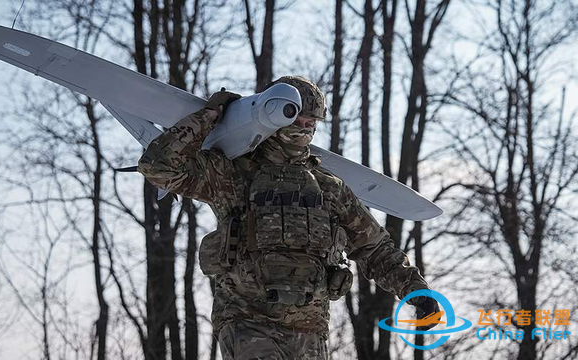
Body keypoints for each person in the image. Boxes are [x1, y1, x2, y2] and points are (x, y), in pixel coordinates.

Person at [138, 76, 438, 359]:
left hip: (310, 332)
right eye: (298, 119)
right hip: (248, 322)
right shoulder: (231, 174)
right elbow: (158, 168)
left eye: (312, 123)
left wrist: (417, 291)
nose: (305, 128)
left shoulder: (328, 188)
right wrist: (208, 117)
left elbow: (374, 248)